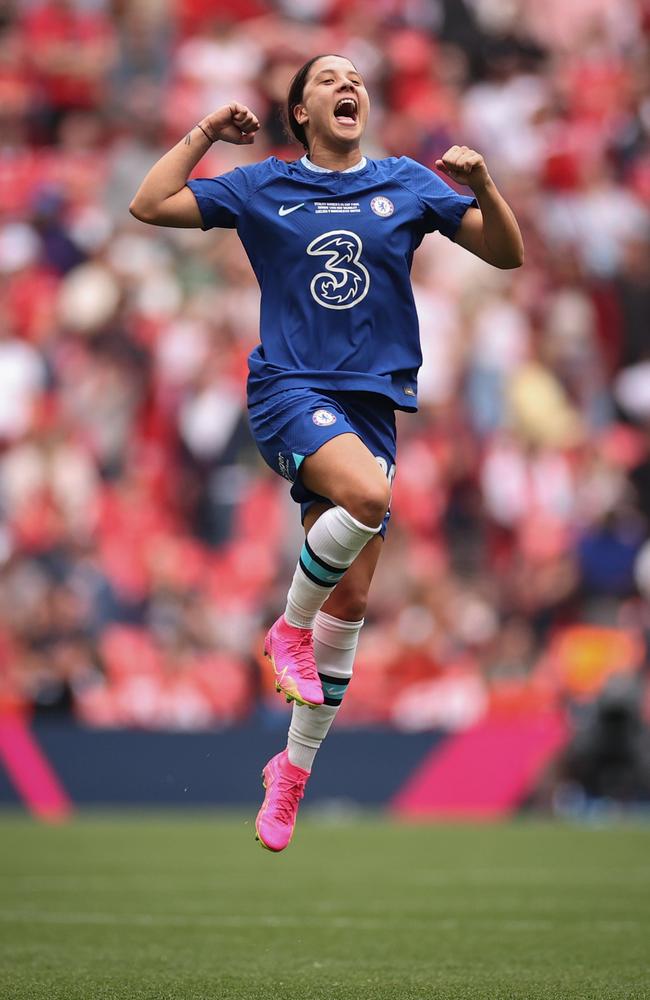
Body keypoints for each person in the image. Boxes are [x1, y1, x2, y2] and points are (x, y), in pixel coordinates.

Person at [129, 53, 524, 852]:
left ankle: (292, 774)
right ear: (300, 111)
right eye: (328, 80)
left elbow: (506, 254)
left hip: (372, 406)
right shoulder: (262, 184)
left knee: (351, 608)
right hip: (289, 390)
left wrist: (483, 184)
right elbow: (150, 202)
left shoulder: (408, 182)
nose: (349, 86)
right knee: (372, 502)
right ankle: (286, 626)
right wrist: (208, 129)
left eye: (356, 78)